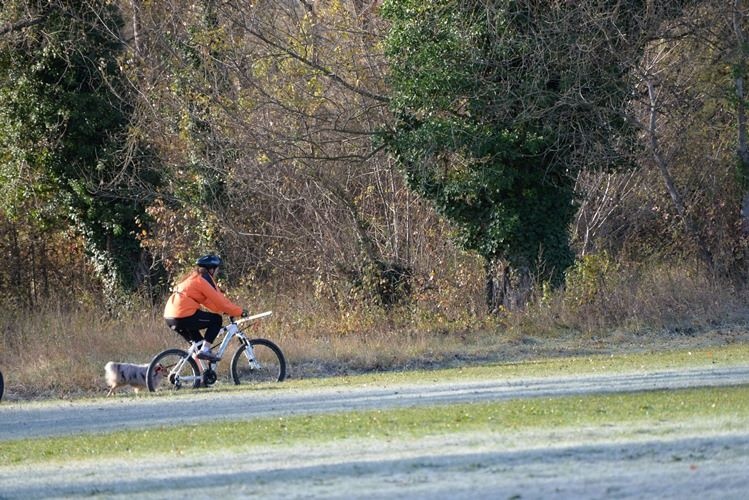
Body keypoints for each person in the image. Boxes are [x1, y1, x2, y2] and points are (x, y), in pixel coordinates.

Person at [163, 254, 248, 362]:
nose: (217, 272)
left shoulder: (194, 278)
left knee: (198, 345)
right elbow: (220, 301)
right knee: (216, 320)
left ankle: (200, 377)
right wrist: (239, 311)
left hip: (170, 316)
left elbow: (208, 302)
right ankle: (205, 350)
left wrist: (225, 310)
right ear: (211, 269)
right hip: (183, 315)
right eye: (217, 269)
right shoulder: (203, 280)